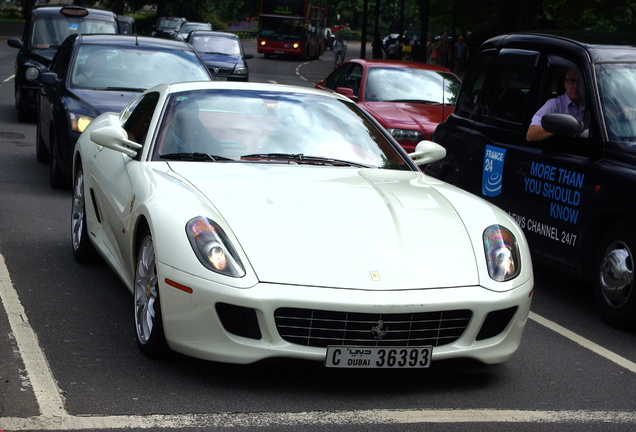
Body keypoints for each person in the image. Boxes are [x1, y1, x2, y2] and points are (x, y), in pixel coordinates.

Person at [526, 68, 586, 142]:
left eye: (579, 81)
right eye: (571, 81)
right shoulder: (554, 104)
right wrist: (561, 128)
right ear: (564, 83)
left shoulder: (592, 105)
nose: (575, 86)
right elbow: (531, 134)